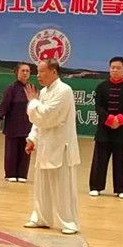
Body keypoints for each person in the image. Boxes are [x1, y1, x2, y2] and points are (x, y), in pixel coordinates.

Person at [23, 59, 81, 235]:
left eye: (42, 71)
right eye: (37, 72)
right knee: (42, 186)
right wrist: (33, 139)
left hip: (61, 146)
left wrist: (33, 102)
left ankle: (69, 222)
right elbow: (38, 121)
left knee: (63, 187)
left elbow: (48, 116)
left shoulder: (64, 90)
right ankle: (41, 217)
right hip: (45, 145)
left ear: (54, 72)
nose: (38, 75)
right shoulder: (44, 92)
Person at [89, 56, 123, 199]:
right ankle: (96, 187)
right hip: (104, 129)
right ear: (109, 69)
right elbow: (98, 107)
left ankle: (121, 189)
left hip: (122, 130)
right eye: (113, 68)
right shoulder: (102, 87)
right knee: (99, 160)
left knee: (121, 160)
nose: (115, 70)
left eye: (118, 68)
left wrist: (121, 119)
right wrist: (109, 119)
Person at [0, 63, 33, 182]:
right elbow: (4, 105)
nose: (25, 73)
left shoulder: (32, 89)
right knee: (11, 151)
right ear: (17, 73)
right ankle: (10, 174)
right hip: (13, 125)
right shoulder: (11, 89)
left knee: (25, 151)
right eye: (22, 71)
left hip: (27, 126)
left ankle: (22, 174)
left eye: (27, 71)